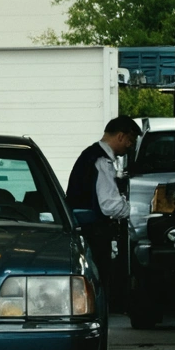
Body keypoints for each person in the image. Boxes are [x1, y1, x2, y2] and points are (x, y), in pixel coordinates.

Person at [65, 116, 141, 311]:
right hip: (94, 232)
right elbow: (109, 205)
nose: (130, 146)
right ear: (121, 136)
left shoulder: (90, 155)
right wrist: (132, 210)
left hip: (84, 229)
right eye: (130, 141)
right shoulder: (101, 161)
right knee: (98, 280)